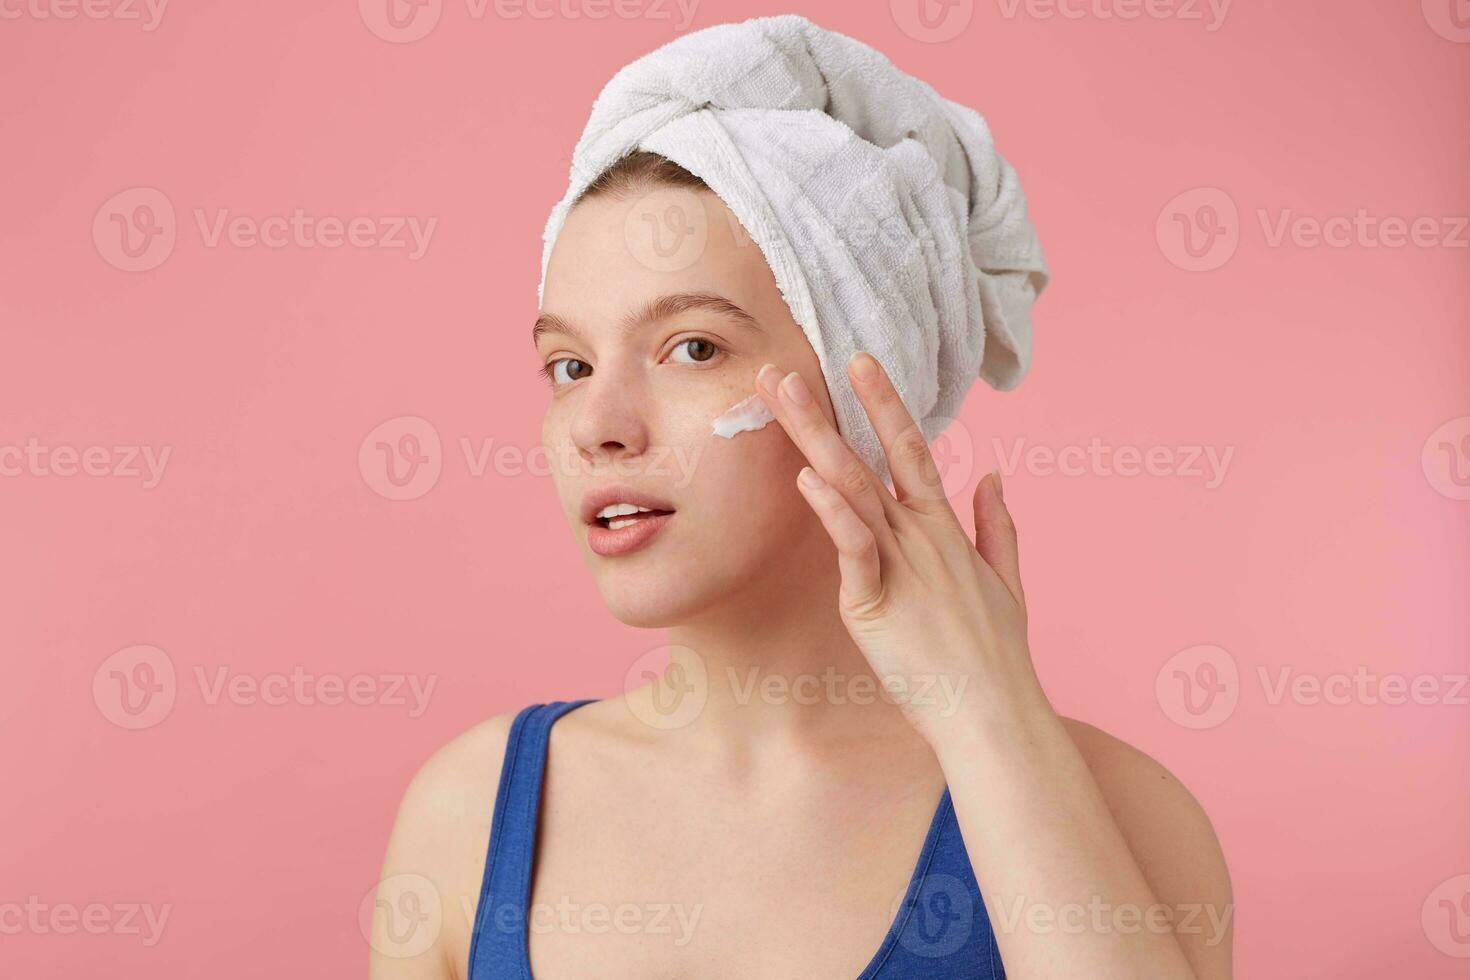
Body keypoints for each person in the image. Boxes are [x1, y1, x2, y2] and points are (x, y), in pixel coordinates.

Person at [372, 17, 1232, 980]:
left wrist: (989, 714)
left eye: (693, 348)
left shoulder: (1122, 816)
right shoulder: (472, 817)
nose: (595, 423)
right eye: (568, 364)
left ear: (872, 390)